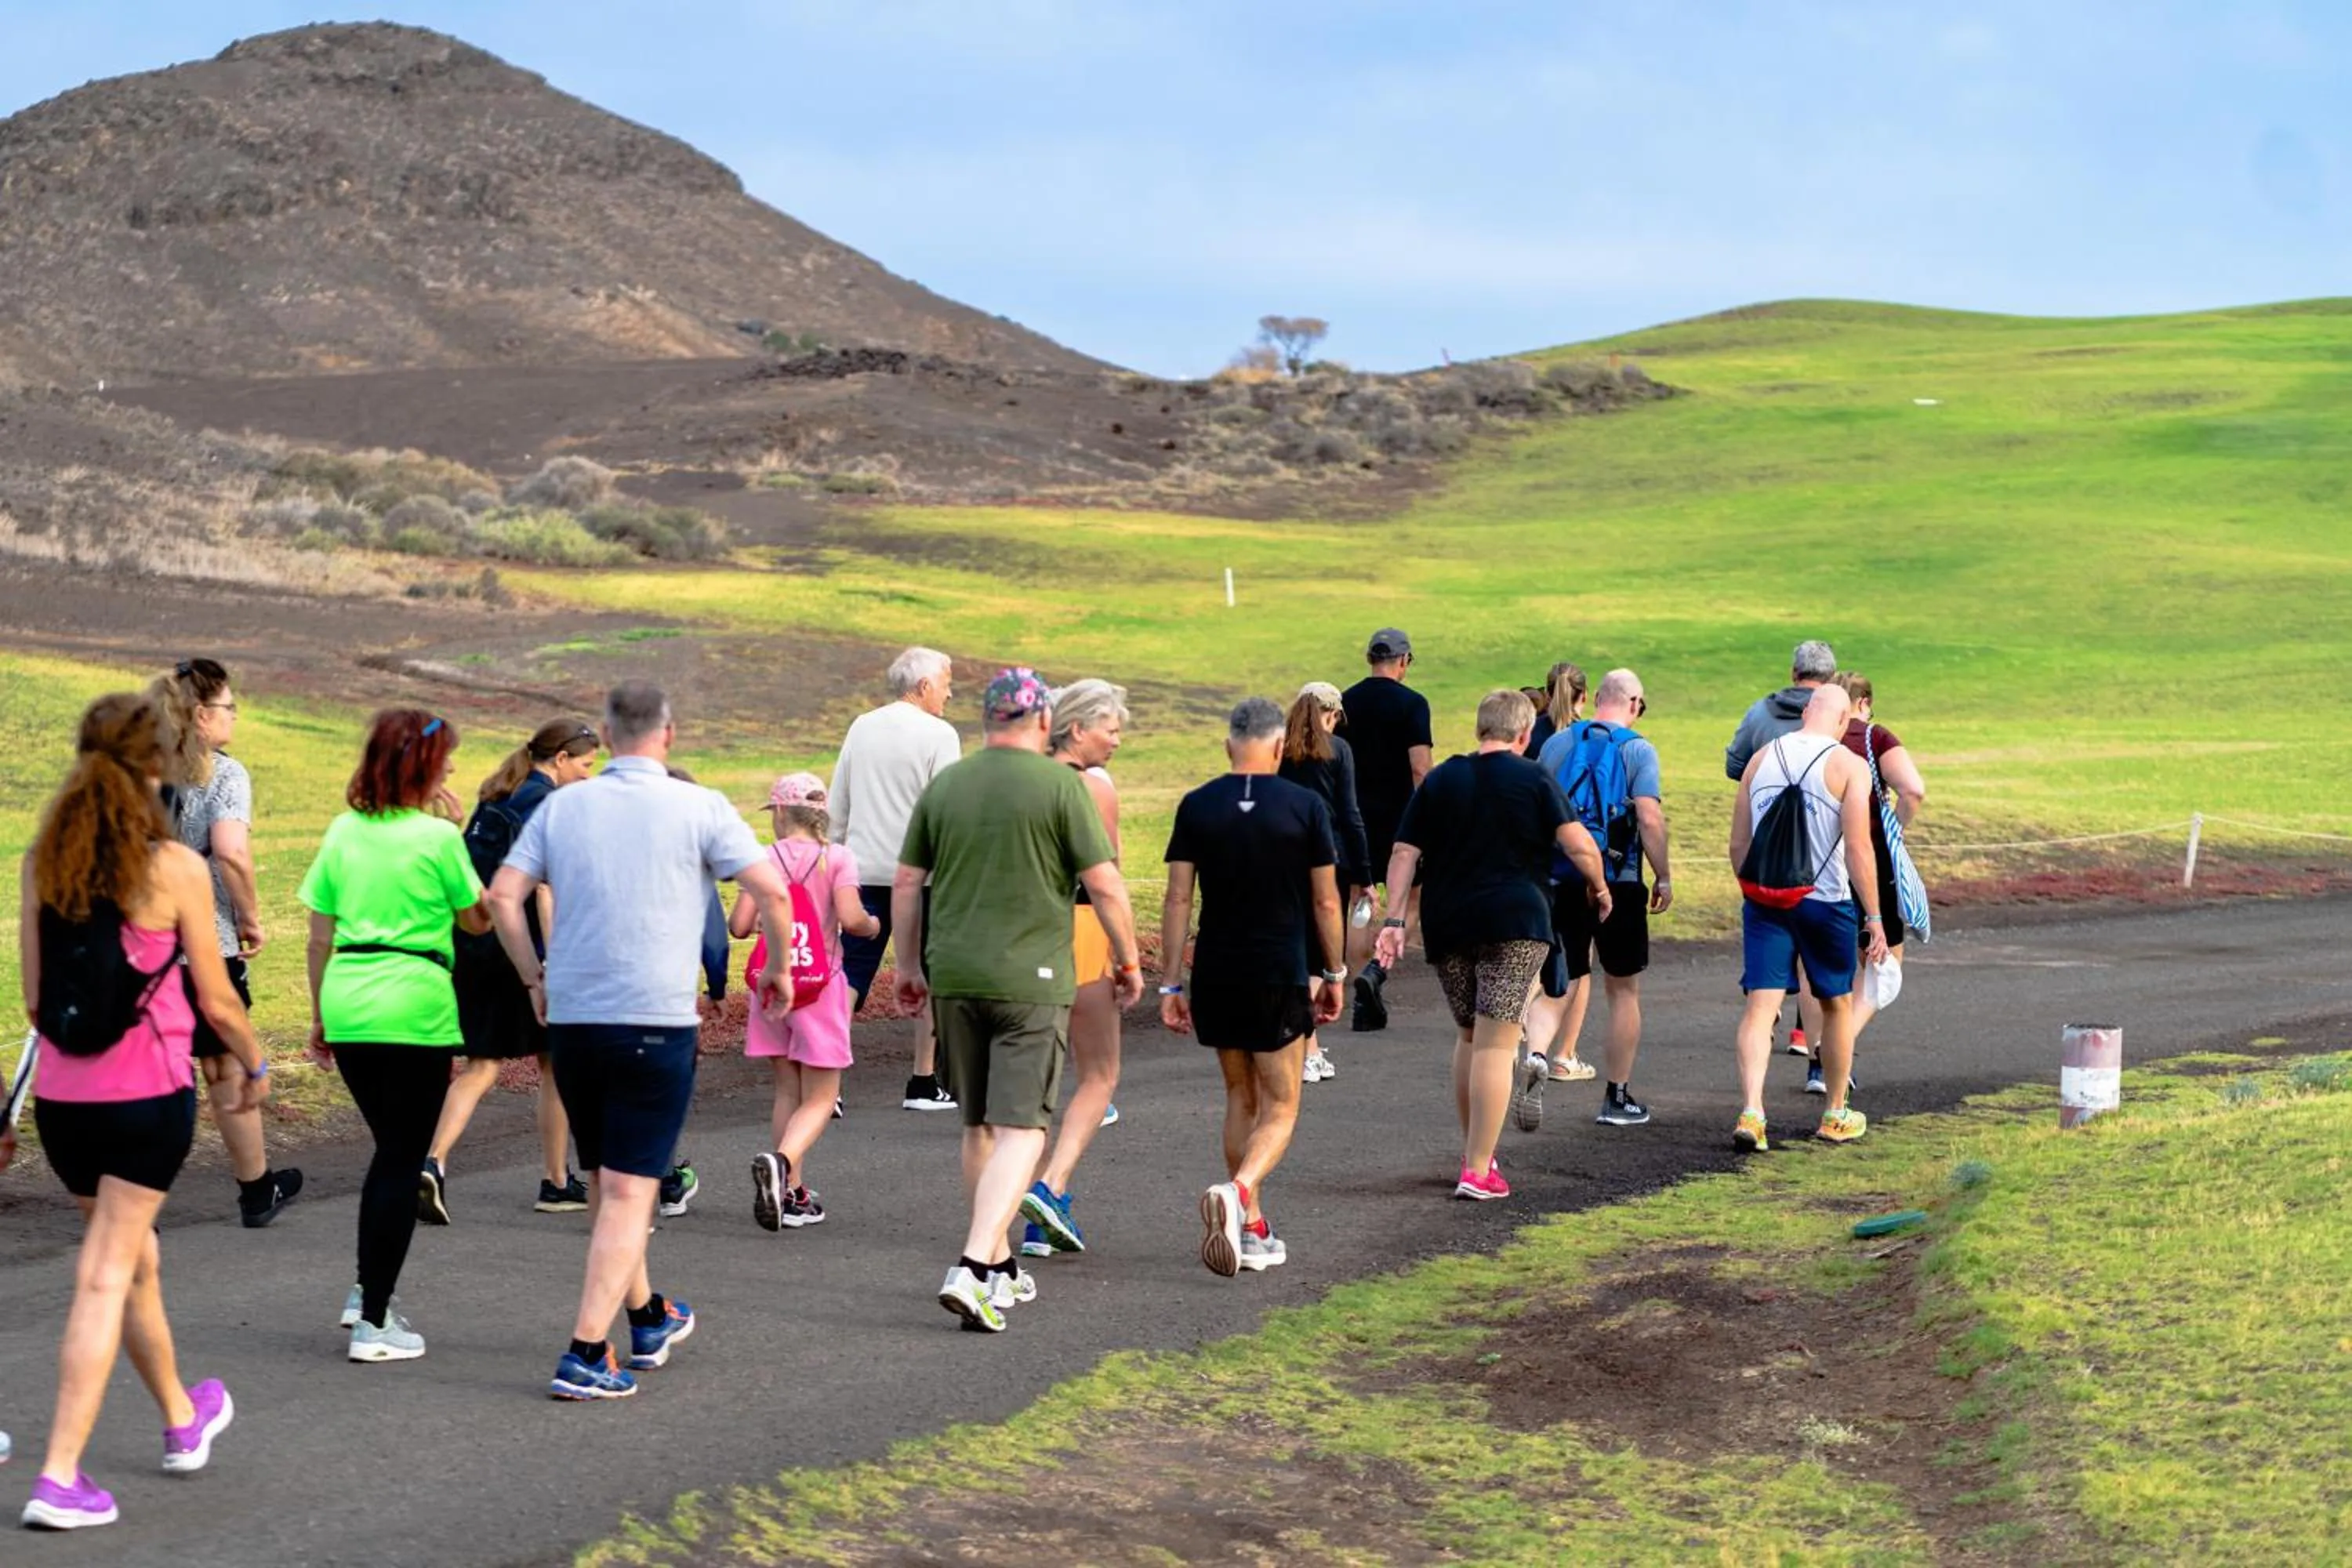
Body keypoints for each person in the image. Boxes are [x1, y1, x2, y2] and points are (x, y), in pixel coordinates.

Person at [488, 683, 800, 1399]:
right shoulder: (698, 807)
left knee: (608, 1181)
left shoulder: (564, 805)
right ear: (669, 734)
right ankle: (585, 1351)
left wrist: (534, 976)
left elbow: (504, 897)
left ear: (605, 732)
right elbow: (774, 894)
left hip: (574, 1018)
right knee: (630, 1192)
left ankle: (649, 1315)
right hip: (652, 1020)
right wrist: (778, 967)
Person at [14, 693, 265, 1530]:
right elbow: (220, 999)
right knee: (105, 1271)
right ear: (156, 766)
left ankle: (182, 1419)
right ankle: (59, 1475)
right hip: (147, 1100)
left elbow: (35, 996)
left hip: (66, 1102)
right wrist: (252, 1062)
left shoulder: (42, 860)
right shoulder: (174, 867)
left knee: (132, 1259)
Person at [892, 670, 1142, 1333]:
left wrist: (909, 965)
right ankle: (974, 1266)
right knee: (1025, 1127)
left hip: (954, 972)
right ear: (1041, 722)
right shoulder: (1062, 786)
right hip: (1029, 978)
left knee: (976, 1124)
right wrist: (1128, 959)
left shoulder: (948, 784)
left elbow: (909, 881)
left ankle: (1001, 1266)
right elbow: (1106, 886)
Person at [298, 711, 488, 1362]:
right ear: (425, 768)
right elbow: (478, 921)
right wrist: (458, 842)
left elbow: (319, 934)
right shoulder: (439, 839)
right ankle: (374, 1320)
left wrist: (321, 1012)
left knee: (391, 1153)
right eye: (447, 759)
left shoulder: (343, 831)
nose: (454, 769)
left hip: (349, 999)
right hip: (414, 1007)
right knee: (401, 1160)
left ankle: (366, 1290)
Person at [1373, 690, 1610, 1200]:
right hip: (1515, 921)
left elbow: (1403, 851)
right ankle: (1478, 1169)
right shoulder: (1533, 777)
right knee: (1499, 1042)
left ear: (1481, 728)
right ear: (1525, 734)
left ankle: (1475, 1151)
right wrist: (1600, 886)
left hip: (1449, 920)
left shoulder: (1442, 779)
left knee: (1469, 1036)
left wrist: (1394, 917)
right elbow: (1577, 843)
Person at [1160, 698, 1346, 1276]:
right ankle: (1239, 1193)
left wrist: (1170, 985)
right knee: (1284, 1103)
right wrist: (1336, 973)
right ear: (1278, 748)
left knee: (1240, 1098)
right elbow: (1324, 899)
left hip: (1216, 970)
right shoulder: (1304, 806)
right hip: (1277, 970)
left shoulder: (1197, 805)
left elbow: (1177, 899)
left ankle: (1252, 1227)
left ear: (1227, 746)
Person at [421, 720, 600, 1222]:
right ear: (561, 758)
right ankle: (557, 1181)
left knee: (482, 1065)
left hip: (470, 941)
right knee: (554, 1063)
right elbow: (543, 888)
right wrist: (553, 959)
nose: (589, 776)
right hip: (516, 946)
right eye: (585, 764)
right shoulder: (547, 803)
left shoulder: (498, 793)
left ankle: (431, 1161)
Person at [151, 659, 302, 1228]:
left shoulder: (138, 768)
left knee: (155, 1071)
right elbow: (232, 851)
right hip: (204, 943)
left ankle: (136, 1196)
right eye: (229, 707)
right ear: (202, 714)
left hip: (141, 947)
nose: (235, 716)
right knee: (224, 1066)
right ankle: (256, 1188)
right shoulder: (223, 774)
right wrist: (251, 916)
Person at [1728, 685, 1889, 1151]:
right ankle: (1835, 1112)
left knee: (1761, 1006)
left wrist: (1751, 892)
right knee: (1836, 1003)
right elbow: (1859, 848)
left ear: (1806, 713)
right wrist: (1874, 916)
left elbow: (1739, 844)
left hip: (1765, 899)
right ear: (1842, 721)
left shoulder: (1760, 760)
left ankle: (1753, 1111)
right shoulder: (1848, 765)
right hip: (1826, 901)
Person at [732, 772, 878, 1230]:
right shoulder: (836, 858)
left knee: (786, 1091)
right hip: (821, 986)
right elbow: (852, 920)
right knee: (821, 1096)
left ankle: (792, 1192)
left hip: (773, 986)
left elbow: (739, 925)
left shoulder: (762, 858)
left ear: (779, 812)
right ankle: (783, 1164)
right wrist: (873, 926)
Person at [1528, 669, 1671, 1131]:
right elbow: (1648, 818)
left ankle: (1534, 1057)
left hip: (1562, 875)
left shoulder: (1557, 745)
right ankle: (1617, 1095)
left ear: (1597, 701)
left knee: (1560, 979)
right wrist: (1664, 876)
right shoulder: (1637, 749)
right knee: (1622, 988)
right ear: (1632, 703)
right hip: (1620, 878)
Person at [1020, 679, 1131, 1261]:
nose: (1116, 741)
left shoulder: (1023, 780)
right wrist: (1127, 954)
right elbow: (1105, 875)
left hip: (1027, 936)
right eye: (1111, 729)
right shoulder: (1092, 787)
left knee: (1037, 1086)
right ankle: (1052, 1186)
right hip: (1083, 930)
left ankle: (1038, 1221)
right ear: (1079, 727)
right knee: (1099, 1074)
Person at [830, 647, 964, 1111]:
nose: (950, 690)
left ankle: (829, 1084)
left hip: (862, 869)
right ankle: (924, 1083)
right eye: (946, 681)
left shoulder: (861, 726)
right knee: (926, 971)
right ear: (924, 685)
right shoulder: (940, 734)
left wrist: (834, 856)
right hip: (921, 877)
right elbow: (946, 811)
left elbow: (839, 802)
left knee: (851, 973)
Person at [1724, 639, 1838, 1060]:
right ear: (1832, 682)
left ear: (1794, 672)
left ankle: (1764, 1016)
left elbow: (1735, 765)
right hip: (1820, 852)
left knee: (1765, 935)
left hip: (1765, 848)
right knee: (1814, 964)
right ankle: (1811, 1050)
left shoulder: (1760, 713)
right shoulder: (1835, 724)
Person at [1828, 672, 1928, 1076]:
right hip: (1869, 855)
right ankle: (1837, 1046)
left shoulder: (1819, 739)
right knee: (1885, 966)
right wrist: (1895, 828)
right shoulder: (1874, 737)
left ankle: (1827, 1053)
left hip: (1822, 861)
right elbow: (1913, 790)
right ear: (1864, 702)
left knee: (1835, 964)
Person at [1340, 629, 1432, 1031]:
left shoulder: (1345, 700)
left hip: (1354, 817)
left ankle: (1359, 992)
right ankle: (1377, 969)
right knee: (1408, 900)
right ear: (1404, 661)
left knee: (1358, 903)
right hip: (1401, 821)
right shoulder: (1413, 704)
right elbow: (1420, 767)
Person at [1276, 681, 1369, 1083]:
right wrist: (1366, 875)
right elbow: (1350, 815)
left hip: (1284, 858)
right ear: (1331, 715)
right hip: (1330, 859)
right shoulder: (1339, 751)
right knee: (1322, 955)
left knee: (1297, 948)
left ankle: (1305, 1046)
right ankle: (1302, 1044)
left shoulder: (1282, 751)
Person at [1519, 662, 1599, 1084]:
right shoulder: (1593, 739)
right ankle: (1565, 1053)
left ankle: (1523, 1031)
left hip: (1535, 863)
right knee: (1579, 961)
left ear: (1547, 694)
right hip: (1579, 862)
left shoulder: (1534, 737)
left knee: (1534, 953)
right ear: (1584, 696)